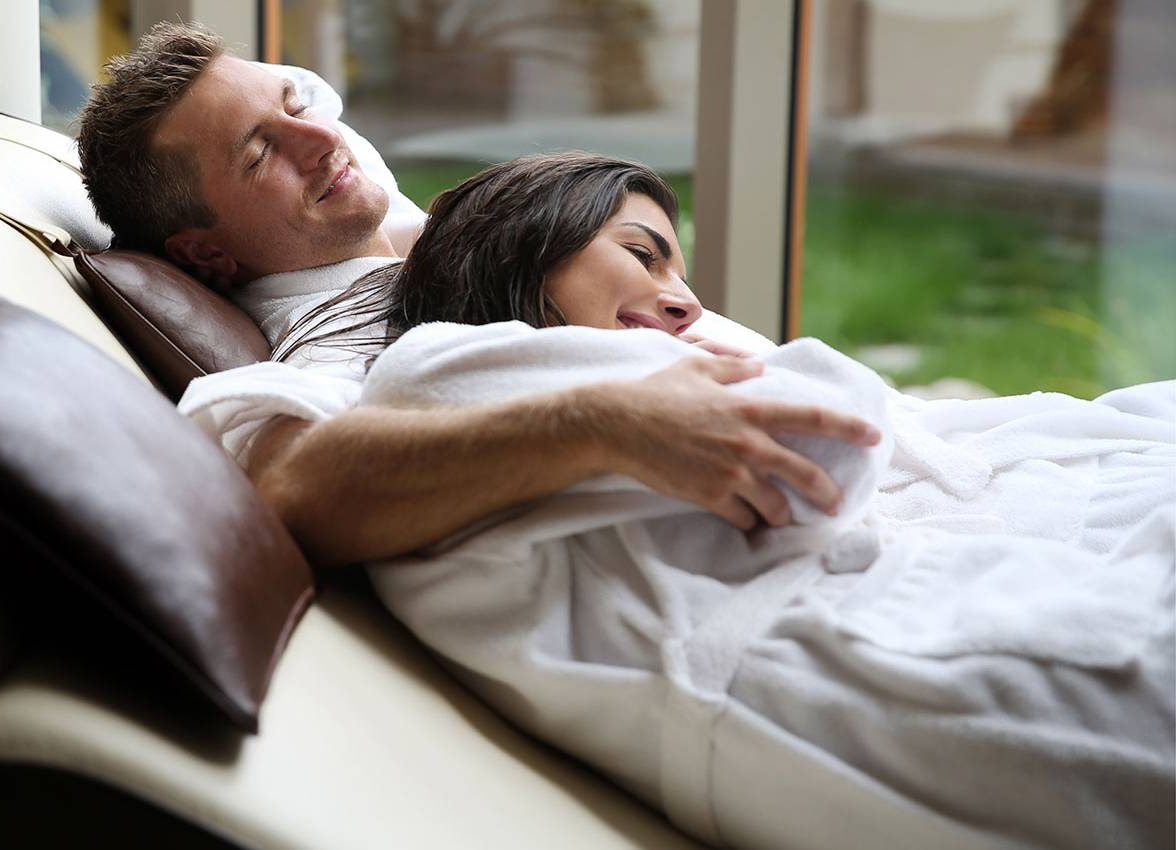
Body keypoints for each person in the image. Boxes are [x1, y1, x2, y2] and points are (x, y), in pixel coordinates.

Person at [286, 151, 1173, 850]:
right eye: (642, 254)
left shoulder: (509, 399)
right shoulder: (436, 373)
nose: (688, 305)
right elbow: (821, 442)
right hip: (878, 663)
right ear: (518, 249)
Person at [75, 21, 882, 570]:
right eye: (261, 152)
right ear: (206, 253)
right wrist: (609, 423)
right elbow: (291, 487)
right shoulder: (345, 326)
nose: (324, 141)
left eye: (296, 106)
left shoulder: (357, 198)